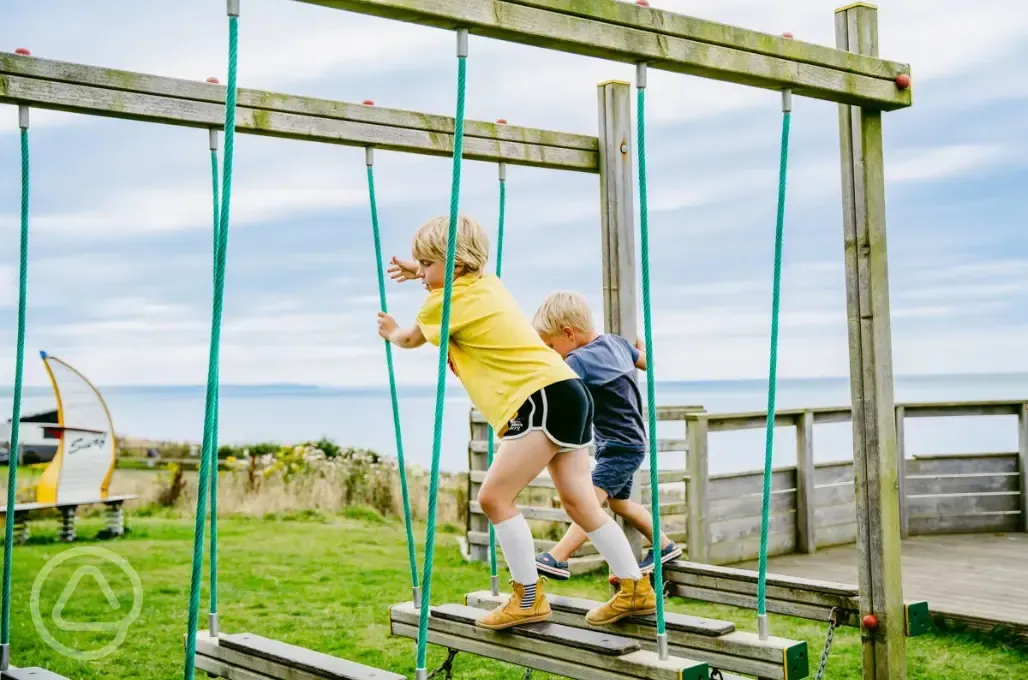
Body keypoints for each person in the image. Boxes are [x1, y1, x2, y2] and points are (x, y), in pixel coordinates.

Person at [378, 214, 657, 630]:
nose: (420, 273)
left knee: (494, 498)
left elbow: (411, 338)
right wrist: (424, 267)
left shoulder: (446, 302)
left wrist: (391, 330)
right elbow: (454, 282)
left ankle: (528, 597)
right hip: (568, 392)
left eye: (426, 264)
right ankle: (636, 589)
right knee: (580, 501)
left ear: (453, 266)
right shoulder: (488, 285)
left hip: (538, 398)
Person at [530, 291, 681, 580]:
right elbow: (647, 362)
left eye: (550, 345)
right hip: (631, 443)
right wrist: (638, 344)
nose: (551, 352)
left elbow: (549, 384)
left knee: (587, 504)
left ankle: (558, 556)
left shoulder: (578, 361)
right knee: (619, 504)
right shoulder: (617, 343)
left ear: (568, 333)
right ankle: (665, 546)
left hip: (619, 448)